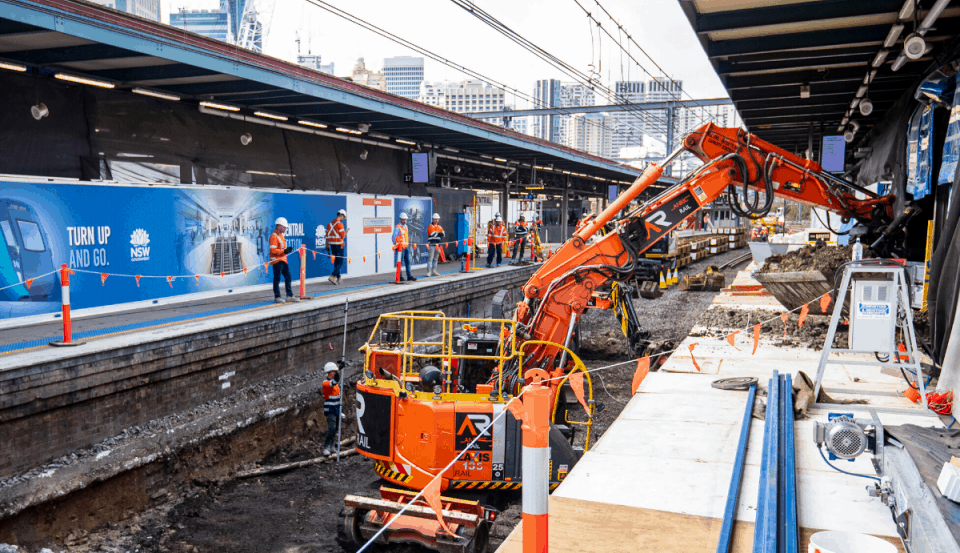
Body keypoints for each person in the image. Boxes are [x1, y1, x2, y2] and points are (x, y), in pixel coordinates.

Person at [269, 217, 297, 303]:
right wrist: (284, 251)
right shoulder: (273, 237)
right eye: (284, 227)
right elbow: (273, 250)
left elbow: (281, 248)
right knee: (277, 279)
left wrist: (285, 250)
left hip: (283, 260)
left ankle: (290, 296)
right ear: (279, 226)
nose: (285, 229)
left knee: (288, 277)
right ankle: (277, 297)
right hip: (277, 261)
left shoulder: (281, 235)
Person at [321, 362, 341, 456]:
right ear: (329, 373)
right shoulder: (326, 383)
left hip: (336, 409)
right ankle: (326, 447)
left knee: (335, 428)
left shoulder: (336, 385)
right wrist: (339, 369)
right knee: (331, 428)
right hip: (330, 410)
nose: (334, 373)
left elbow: (338, 397)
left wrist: (341, 410)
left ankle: (332, 445)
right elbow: (334, 382)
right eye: (333, 372)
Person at [392, 212, 416, 282]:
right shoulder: (397, 228)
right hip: (400, 248)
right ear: (400, 219)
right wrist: (397, 245)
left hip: (406, 247)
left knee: (408, 262)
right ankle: (400, 276)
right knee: (400, 262)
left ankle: (409, 276)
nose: (404, 221)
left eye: (405, 219)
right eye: (403, 219)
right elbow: (393, 238)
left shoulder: (406, 227)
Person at [326, 209, 348, 285]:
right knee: (340, 262)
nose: (344, 219)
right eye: (344, 217)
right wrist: (345, 232)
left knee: (336, 262)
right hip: (339, 246)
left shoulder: (329, 224)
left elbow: (327, 236)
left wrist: (327, 246)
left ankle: (339, 278)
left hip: (332, 246)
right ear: (341, 215)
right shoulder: (340, 224)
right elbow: (343, 235)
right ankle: (333, 276)